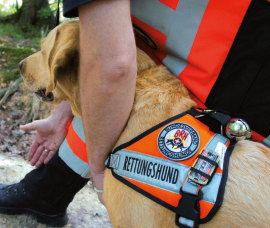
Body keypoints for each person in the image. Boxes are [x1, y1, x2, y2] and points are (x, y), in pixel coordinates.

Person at [1, 0, 270, 227]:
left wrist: (100, 173)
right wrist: (63, 114)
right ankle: (44, 193)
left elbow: (111, 66)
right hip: (223, 79)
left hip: (214, 86)